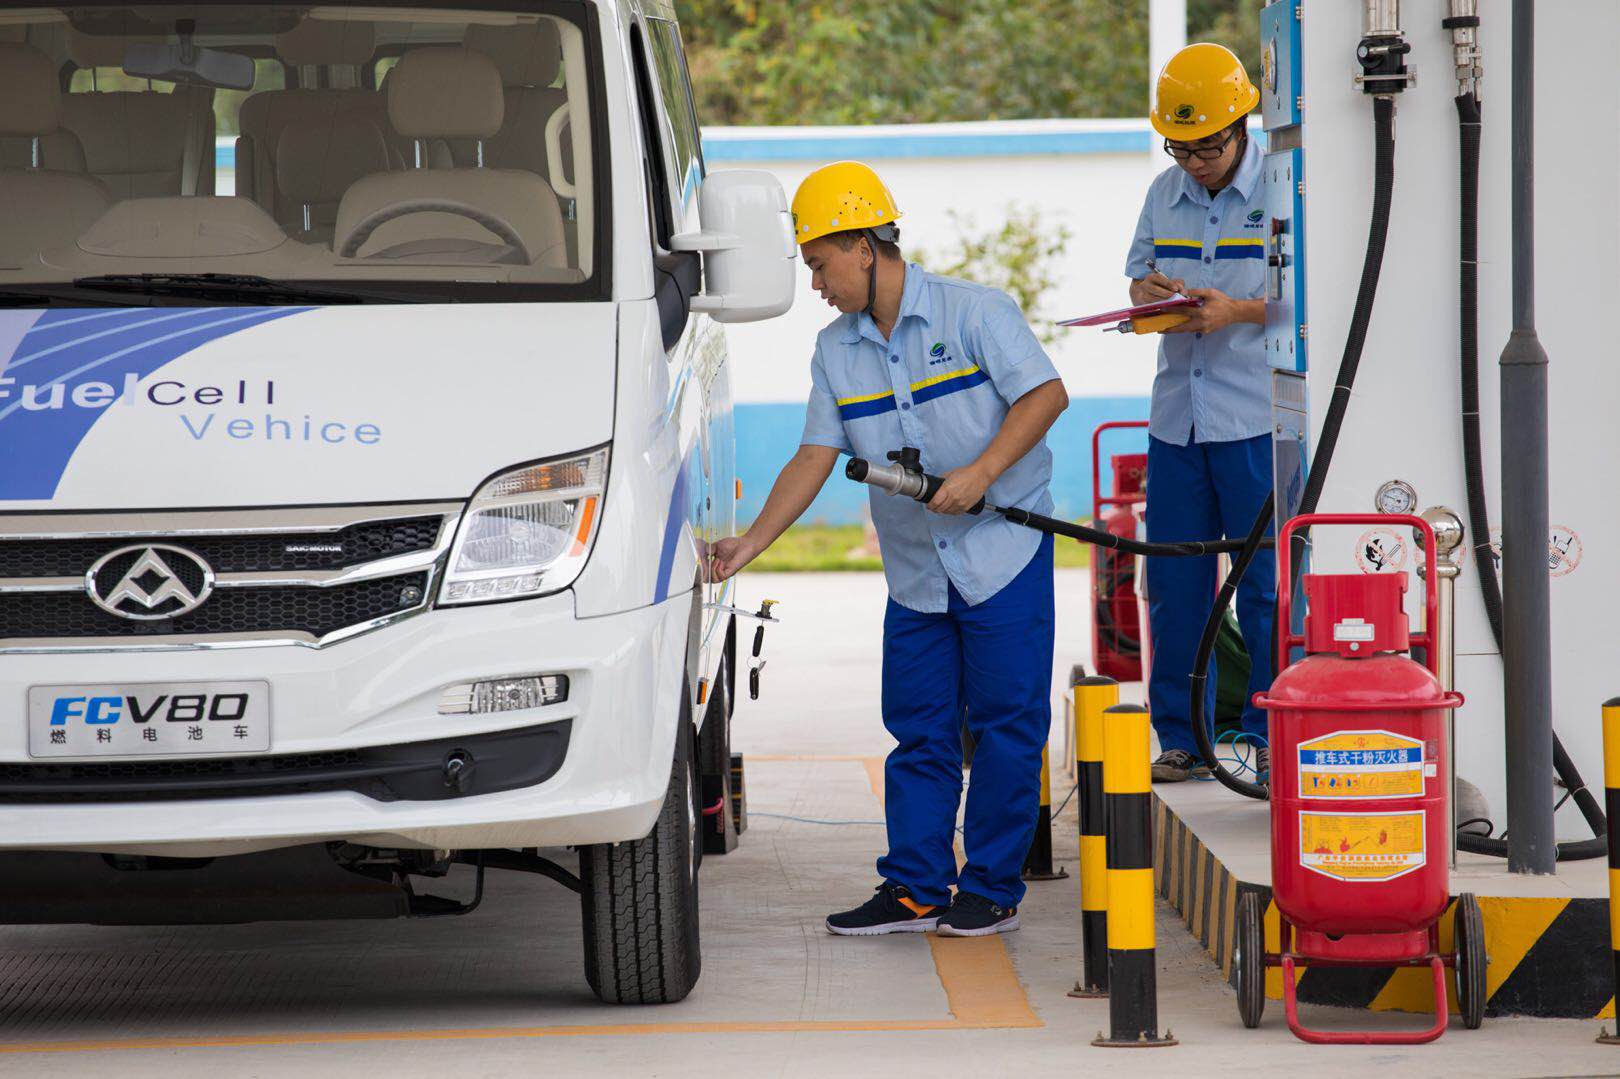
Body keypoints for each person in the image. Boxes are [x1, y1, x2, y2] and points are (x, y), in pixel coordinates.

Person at [710, 161, 1069, 936]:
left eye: (820, 264)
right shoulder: (834, 351)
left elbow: (1046, 394)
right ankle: (916, 886)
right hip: (916, 574)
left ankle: (992, 888)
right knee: (919, 728)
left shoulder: (975, 313)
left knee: (1006, 724)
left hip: (1003, 552)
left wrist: (980, 473)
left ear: (865, 247)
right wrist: (751, 543)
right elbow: (814, 454)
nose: (816, 284)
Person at [1125, 43, 1275, 783]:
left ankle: (1269, 736)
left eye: (1207, 148)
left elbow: (1317, 294)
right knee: (1176, 585)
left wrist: (1235, 311)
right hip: (1178, 421)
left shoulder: (1284, 187)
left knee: (1267, 584)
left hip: (1256, 421)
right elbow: (1137, 277)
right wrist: (1148, 297)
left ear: (1241, 125)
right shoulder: (1164, 193)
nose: (1194, 163)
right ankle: (1183, 738)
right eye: (1180, 149)